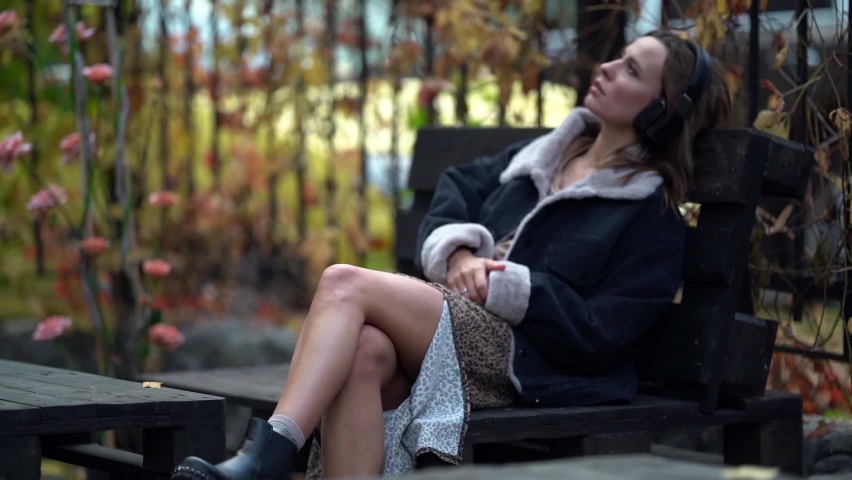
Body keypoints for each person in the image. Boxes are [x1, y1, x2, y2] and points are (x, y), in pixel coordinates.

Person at [171, 29, 732, 480]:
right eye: (619, 58)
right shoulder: (539, 157)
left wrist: (513, 289)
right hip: (458, 328)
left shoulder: (649, 215)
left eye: (632, 70)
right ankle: (270, 458)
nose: (607, 68)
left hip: (527, 360)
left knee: (344, 282)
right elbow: (457, 187)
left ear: (663, 112)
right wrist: (460, 250)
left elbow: (603, 332)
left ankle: (268, 455)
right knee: (364, 351)